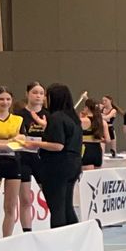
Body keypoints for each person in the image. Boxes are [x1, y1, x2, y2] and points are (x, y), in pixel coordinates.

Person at [30, 83, 84, 227]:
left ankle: (58, 237)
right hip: (74, 164)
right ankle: (74, 235)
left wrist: (33, 143)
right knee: (67, 206)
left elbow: (58, 145)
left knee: (56, 207)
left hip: (58, 166)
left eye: (46, 96)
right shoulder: (73, 118)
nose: (44, 99)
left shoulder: (56, 117)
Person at [0, 88, 25, 237]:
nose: (5, 102)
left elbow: (22, 143)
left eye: (8, 99)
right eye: (1, 99)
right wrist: (10, 142)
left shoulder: (18, 120)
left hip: (14, 163)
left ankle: (7, 240)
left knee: (10, 207)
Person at [18, 82, 49, 230]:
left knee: (50, 196)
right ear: (27, 94)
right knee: (25, 199)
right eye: (35, 92)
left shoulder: (49, 115)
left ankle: (55, 228)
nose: (38, 96)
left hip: (43, 158)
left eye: (41, 93)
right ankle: (27, 232)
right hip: (24, 158)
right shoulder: (18, 115)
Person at [78, 87, 105, 171]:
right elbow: (107, 139)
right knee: (97, 176)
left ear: (87, 108)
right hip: (97, 150)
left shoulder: (83, 121)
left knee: (86, 176)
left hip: (86, 149)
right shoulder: (102, 122)